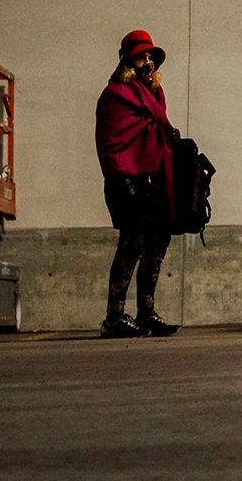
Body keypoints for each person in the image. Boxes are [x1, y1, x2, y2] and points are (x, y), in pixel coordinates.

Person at [95, 30, 181, 338]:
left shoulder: (155, 94)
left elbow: (157, 127)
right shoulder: (115, 95)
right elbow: (111, 143)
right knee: (131, 245)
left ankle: (146, 313)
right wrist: (121, 180)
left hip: (154, 178)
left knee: (157, 244)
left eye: (150, 58)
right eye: (142, 57)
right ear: (127, 61)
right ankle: (114, 317)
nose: (148, 63)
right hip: (127, 179)